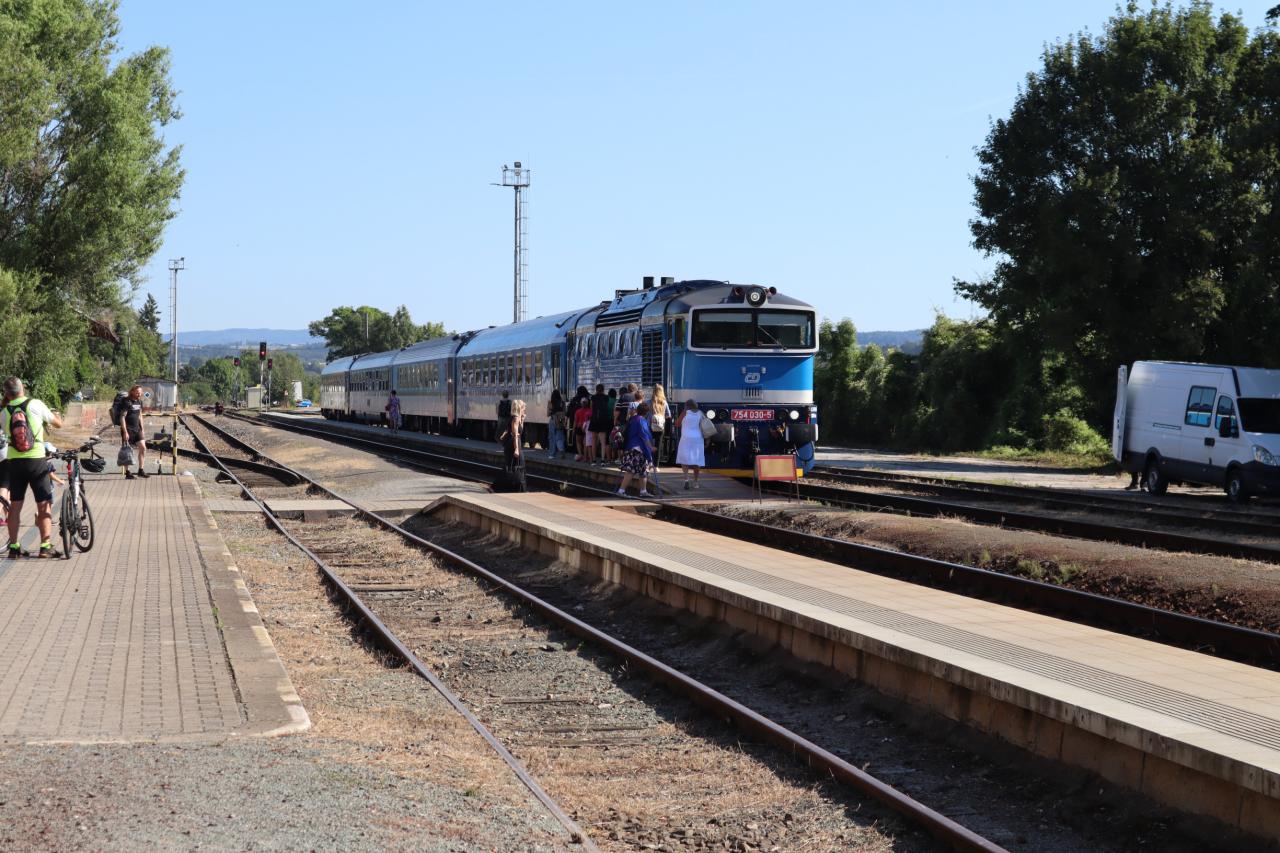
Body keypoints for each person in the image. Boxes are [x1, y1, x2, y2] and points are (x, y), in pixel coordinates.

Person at [2, 377, 63, 557]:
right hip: (36, 459)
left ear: (6, 393)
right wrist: (56, 415)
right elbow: (58, 424)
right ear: (22, 388)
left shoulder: (4, 412)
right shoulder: (35, 404)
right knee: (43, 504)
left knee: (15, 506)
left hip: (14, 461)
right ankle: (45, 546)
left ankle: (14, 547)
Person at [616, 402, 656, 498]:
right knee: (631, 470)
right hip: (637, 449)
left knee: (643, 471)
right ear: (647, 413)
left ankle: (643, 491)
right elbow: (644, 436)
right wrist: (651, 447)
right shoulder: (641, 421)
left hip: (631, 447)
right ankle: (621, 491)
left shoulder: (633, 419)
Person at [115, 385, 148, 479]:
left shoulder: (139, 401)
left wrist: (142, 429)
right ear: (132, 392)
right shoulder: (127, 402)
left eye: (140, 392)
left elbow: (140, 416)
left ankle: (141, 470)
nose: (139, 394)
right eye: (137, 392)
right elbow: (122, 417)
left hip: (137, 429)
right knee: (127, 451)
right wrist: (125, 432)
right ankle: (128, 472)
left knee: (143, 448)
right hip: (128, 429)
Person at [676, 399, 707, 490]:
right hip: (698, 439)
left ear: (687, 406)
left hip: (686, 438)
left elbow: (677, 424)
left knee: (684, 459)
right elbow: (706, 425)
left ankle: (686, 479)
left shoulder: (685, 413)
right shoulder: (700, 413)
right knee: (696, 460)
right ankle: (696, 482)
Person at [588, 384, 611, 465]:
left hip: (594, 420)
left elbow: (591, 408)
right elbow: (607, 408)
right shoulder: (606, 397)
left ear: (596, 389)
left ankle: (594, 460)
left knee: (594, 441)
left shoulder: (593, 398)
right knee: (603, 442)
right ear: (603, 389)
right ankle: (602, 460)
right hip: (603, 420)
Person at [502, 399, 525, 471]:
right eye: (523, 408)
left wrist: (522, 420)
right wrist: (516, 449)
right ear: (520, 408)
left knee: (514, 466)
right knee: (516, 465)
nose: (524, 410)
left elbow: (520, 432)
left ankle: (512, 477)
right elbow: (515, 434)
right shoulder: (515, 418)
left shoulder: (517, 418)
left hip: (514, 444)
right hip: (513, 445)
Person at [650, 384, 671, 463]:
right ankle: (656, 465)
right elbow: (668, 415)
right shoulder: (664, 403)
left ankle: (649, 462)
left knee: (649, 444)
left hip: (650, 426)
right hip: (660, 426)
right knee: (658, 445)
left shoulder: (649, 402)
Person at [546, 389, 568, 460]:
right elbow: (565, 412)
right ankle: (561, 450)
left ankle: (552, 454)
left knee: (552, 437)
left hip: (553, 420)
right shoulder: (562, 402)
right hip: (560, 421)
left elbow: (548, 414)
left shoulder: (550, 402)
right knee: (560, 437)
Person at [573, 391, 592, 461]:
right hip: (586, 428)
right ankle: (585, 457)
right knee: (585, 443)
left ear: (581, 403)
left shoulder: (577, 411)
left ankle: (580, 454)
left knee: (578, 442)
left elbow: (575, 421)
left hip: (579, 427)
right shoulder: (590, 411)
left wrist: (574, 429)